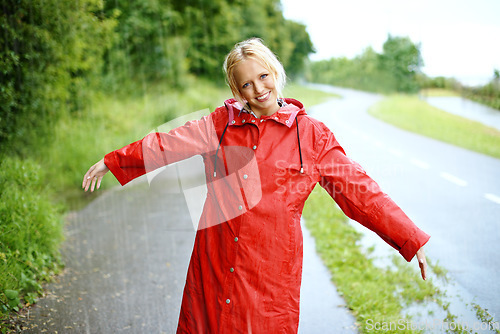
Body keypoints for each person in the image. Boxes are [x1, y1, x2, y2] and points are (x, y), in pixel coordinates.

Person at [82, 38, 430, 333]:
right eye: (246, 84)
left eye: (263, 77)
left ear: (276, 73)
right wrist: (114, 161)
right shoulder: (222, 124)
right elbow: (170, 143)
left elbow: (360, 190)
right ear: (236, 90)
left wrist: (409, 237)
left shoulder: (312, 135)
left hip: (270, 273)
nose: (259, 89)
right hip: (215, 262)